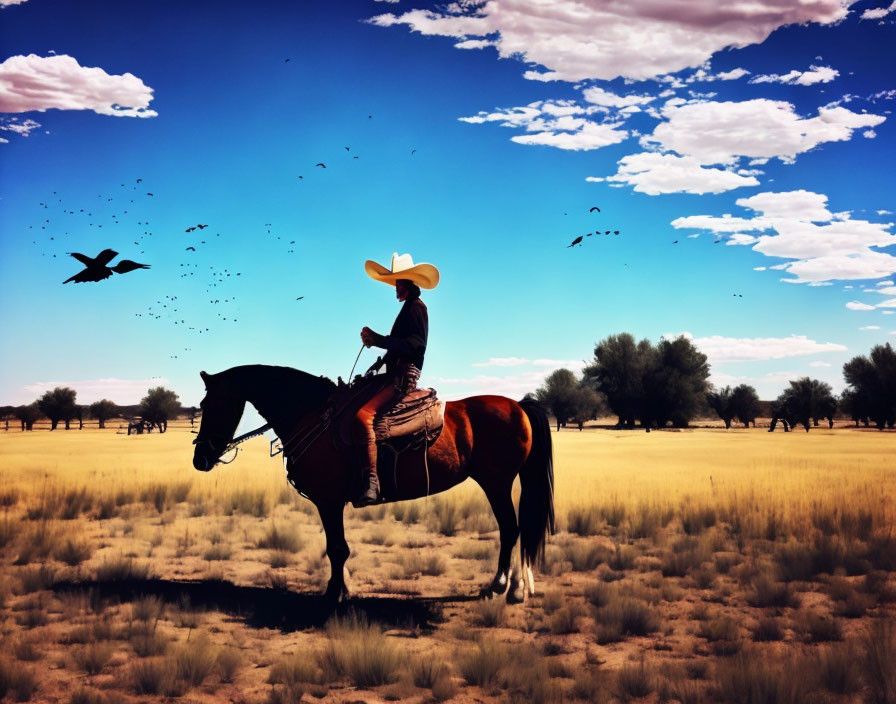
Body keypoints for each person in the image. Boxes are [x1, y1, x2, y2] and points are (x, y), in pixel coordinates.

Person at [355, 252, 440, 506]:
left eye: (398, 283)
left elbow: (415, 346)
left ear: (408, 282)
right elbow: (400, 346)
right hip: (395, 373)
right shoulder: (409, 307)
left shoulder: (416, 308)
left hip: (404, 379)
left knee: (364, 415)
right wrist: (379, 348)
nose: (395, 288)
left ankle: (372, 482)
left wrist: (379, 340)